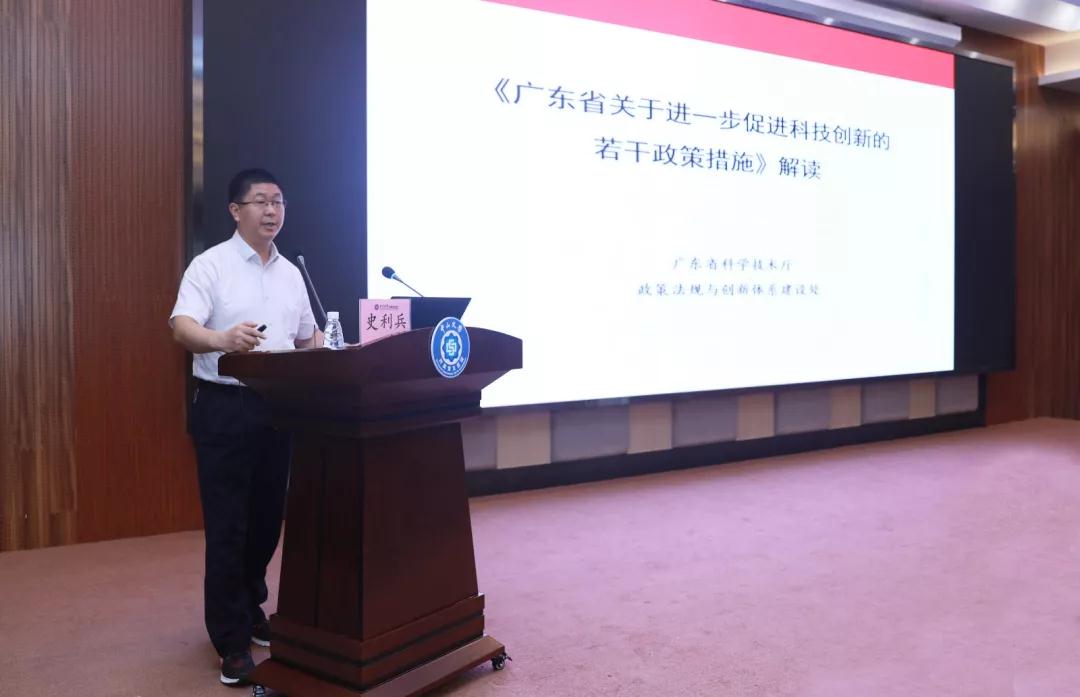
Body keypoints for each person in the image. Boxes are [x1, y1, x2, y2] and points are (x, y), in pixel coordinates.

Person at [169, 168, 321, 686]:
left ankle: (251, 603)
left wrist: (329, 347)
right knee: (228, 526)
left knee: (266, 521)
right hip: (224, 406)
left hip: (277, 408)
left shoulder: (292, 273)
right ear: (236, 211)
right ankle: (231, 640)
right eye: (261, 201)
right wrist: (222, 339)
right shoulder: (210, 265)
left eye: (278, 201)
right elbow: (182, 326)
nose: (272, 211)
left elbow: (306, 338)